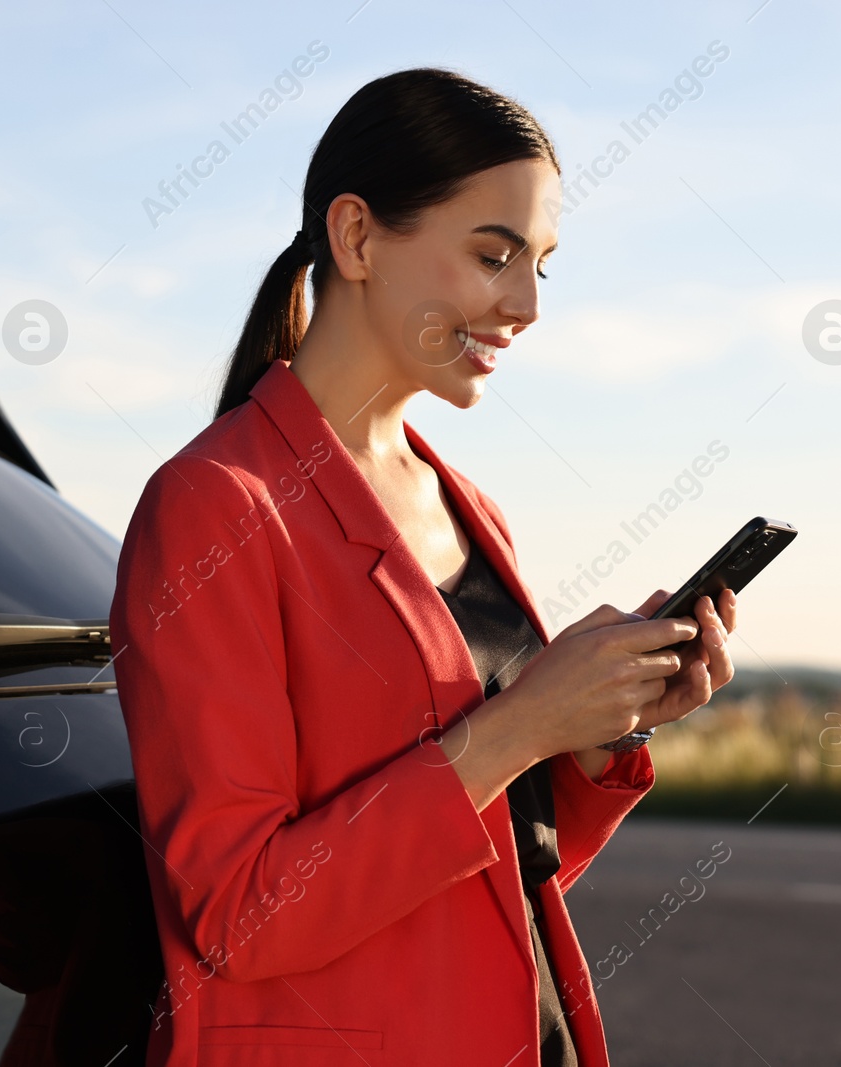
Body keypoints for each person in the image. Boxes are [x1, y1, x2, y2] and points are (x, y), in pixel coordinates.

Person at [108, 67, 737, 1067]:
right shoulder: (214, 507)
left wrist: (588, 730)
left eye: (543, 264)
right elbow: (237, 915)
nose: (526, 303)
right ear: (356, 238)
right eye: (494, 254)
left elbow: (489, 868)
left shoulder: (468, 508)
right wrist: (518, 721)